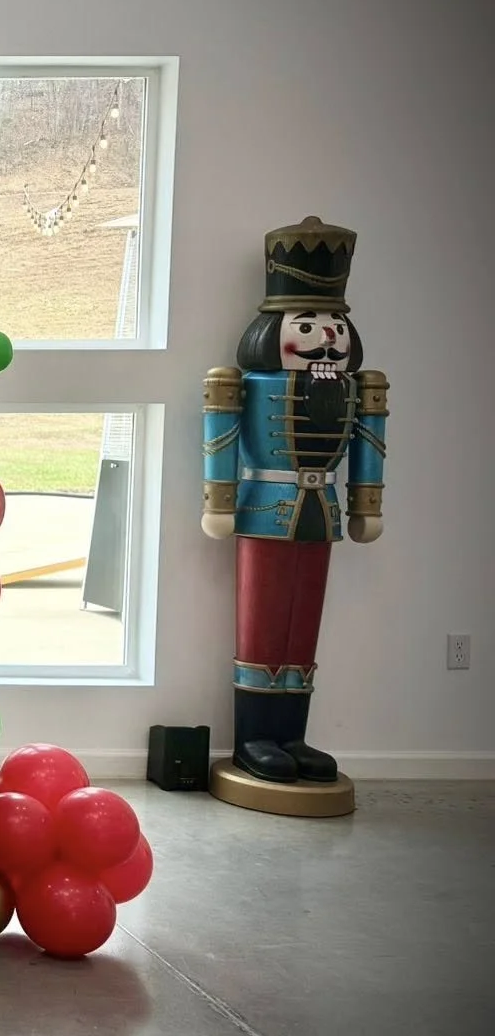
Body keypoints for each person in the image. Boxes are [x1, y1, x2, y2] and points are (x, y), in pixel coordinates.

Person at [202, 217, 385, 784]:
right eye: (307, 324)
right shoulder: (246, 384)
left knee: (303, 623)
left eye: (332, 325)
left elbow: (370, 443)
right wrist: (219, 498)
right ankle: (255, 736)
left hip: (321, 512)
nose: (324, 336)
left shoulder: (354, 386)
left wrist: (364, 505)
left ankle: (293, 735)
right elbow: (222, 438)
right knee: (261, 625)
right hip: (265, 508)